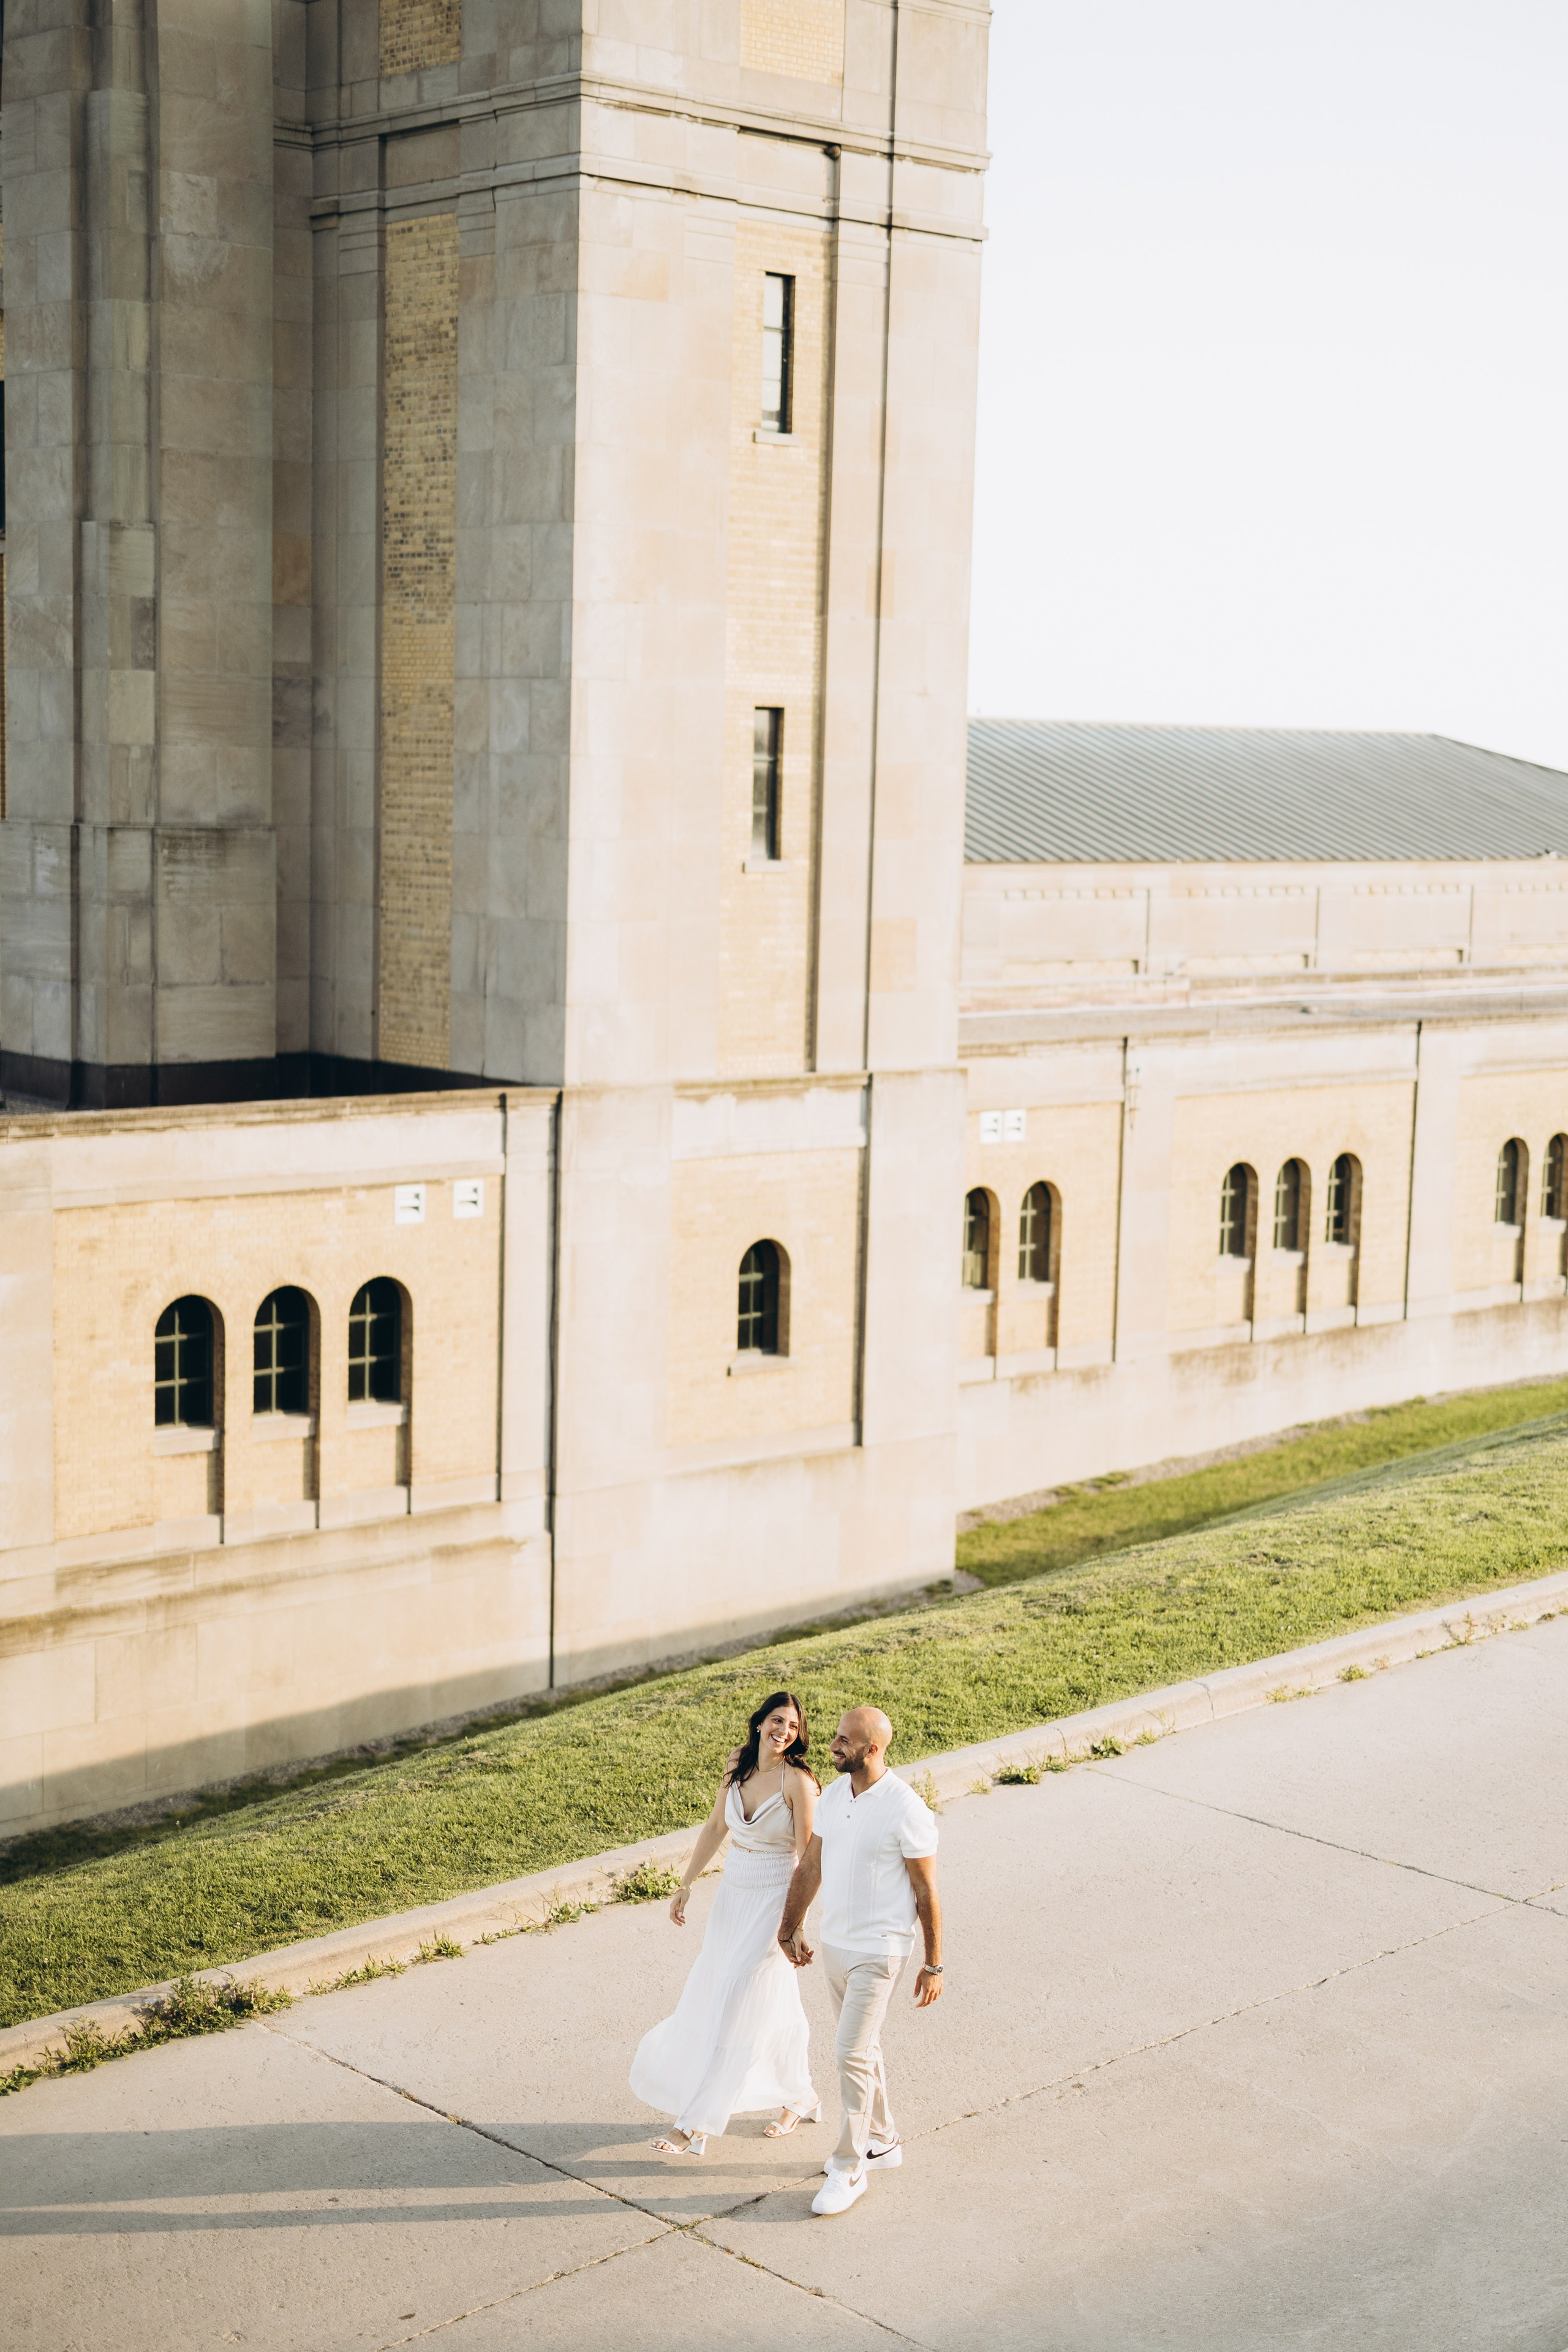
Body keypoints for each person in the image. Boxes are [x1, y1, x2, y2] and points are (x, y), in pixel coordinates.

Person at [630, 1690, 821, 2155]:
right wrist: (686, 1883)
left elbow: (809, 1858)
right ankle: (800, 2094)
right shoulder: (737, 1762)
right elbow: (717, 1827)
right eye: (777, 1721)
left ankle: (694, 2123)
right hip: (733, 1894)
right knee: (749, 1997)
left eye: (793, 1727)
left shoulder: (799, 1782)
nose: (784, 1732)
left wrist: (794, 1924)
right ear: (760, 1723)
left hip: (774, 1898)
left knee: (735, 2003)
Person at [775, 1705, 943, 2218]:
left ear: (873, 1749)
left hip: (881, 1950)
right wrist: (790, 1926)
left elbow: (925, 1890)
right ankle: (884, 2139)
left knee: (848, 2051)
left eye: (845, 1741)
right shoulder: (834, 1799)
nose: (832, 1746)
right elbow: (812, 1866)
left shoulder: (906, 1808)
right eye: (836, 1738)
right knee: (863, 2048)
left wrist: (934, 1964)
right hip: (837, 1945)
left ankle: (850, 2167)